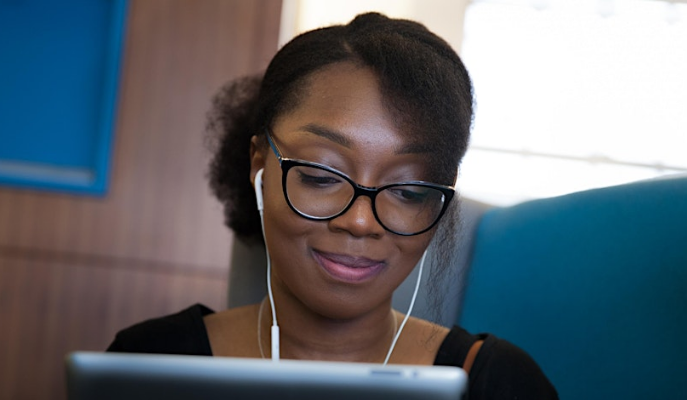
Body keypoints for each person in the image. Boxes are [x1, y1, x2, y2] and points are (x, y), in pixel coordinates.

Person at [107, 12, 558, 399]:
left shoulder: (497, 384)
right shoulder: (149, 362)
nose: (360, 221)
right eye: (321, 176)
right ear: (259, 166)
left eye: (408, 190)